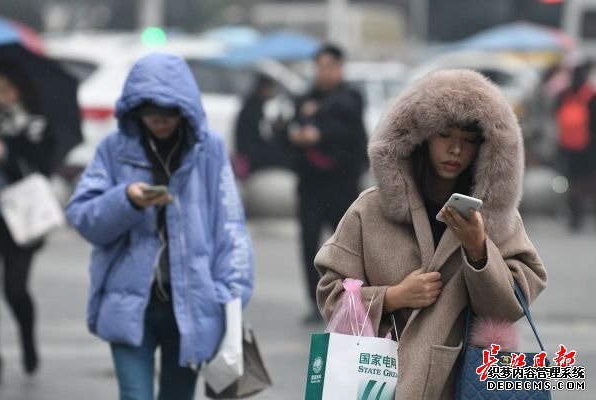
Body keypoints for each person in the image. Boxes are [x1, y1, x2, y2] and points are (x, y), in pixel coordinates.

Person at [315, 69, 548, 399]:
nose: (455, 150)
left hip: (460, 384)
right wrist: (392, 297)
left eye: (468, 140)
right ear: (419, 136)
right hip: (376, 381)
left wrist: (478, 250)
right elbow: (330, 293)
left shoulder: (495, 218)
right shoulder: (370, 210)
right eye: (444, 135)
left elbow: (509, 308)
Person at [65, 53, 254, 400]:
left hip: (194, 304)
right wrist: (127, 200)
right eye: (151, 110)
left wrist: (231, 294)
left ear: (185, 108)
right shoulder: (113, 149)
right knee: (134, 395)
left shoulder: (209, 150)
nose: (160, 120)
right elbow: (82, 216)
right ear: (135, 108)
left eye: (169, 110)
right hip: (128, 301)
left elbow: (230, 227)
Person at [288, 44, 367, 324]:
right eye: (319, 67)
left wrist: (317, 130)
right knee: (310, 245)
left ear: (339, 68)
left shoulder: (350, 96)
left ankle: (350, 298)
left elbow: (348, 127)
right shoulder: (305, 98)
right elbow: (290, 128)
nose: (323, 73)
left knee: (345, 248)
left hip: (342, 185)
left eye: (329, 67)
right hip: (310, 184)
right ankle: (316, 300)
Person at [0, 62, 55, 382]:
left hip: (21, 219)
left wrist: (6, 151)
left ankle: (28, 343)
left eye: (6, 89)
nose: (1, 97)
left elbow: (42, 168)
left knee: (14, 290)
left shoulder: (35, 125)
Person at [554, 59, 596, 231]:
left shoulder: (564, 94)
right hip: (588, 146)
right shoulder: (591, 95)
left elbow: (556, 118)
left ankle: (574, 216)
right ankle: (585, 214)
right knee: (589, 180)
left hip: (568, 146)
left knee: (572, 181)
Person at [232, 74, 293, 179]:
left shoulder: (255, 105)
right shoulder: (252, 107)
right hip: (249, 154)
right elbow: (253, 137)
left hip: (251, 150)